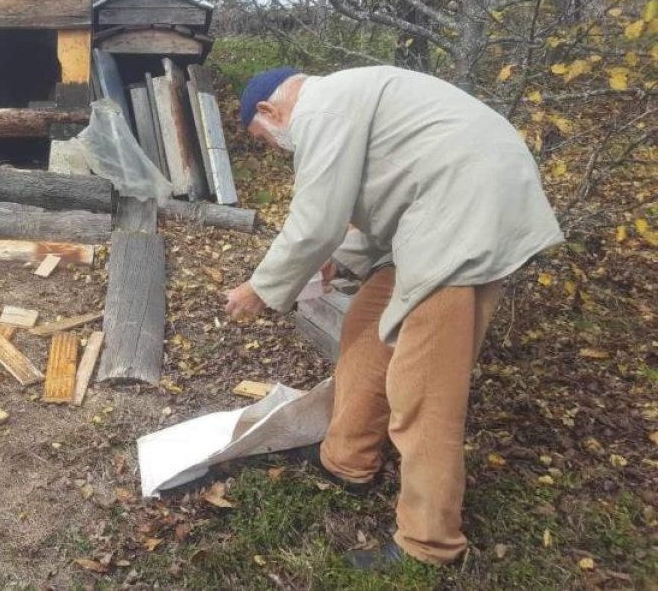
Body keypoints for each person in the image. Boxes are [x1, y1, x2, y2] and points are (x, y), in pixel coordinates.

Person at [224, 66, 563, 568]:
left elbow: (315, 221)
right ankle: (346, 460)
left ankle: (430, 544)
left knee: (423, 384)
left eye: (265, 139)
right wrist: (343, 261)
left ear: (270, 112)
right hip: (443, 207)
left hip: (460, 214)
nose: (276, 149)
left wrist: (262, 288)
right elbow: (385, 192)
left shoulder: (320, 108)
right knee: (366, 320)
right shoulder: (346, 100)